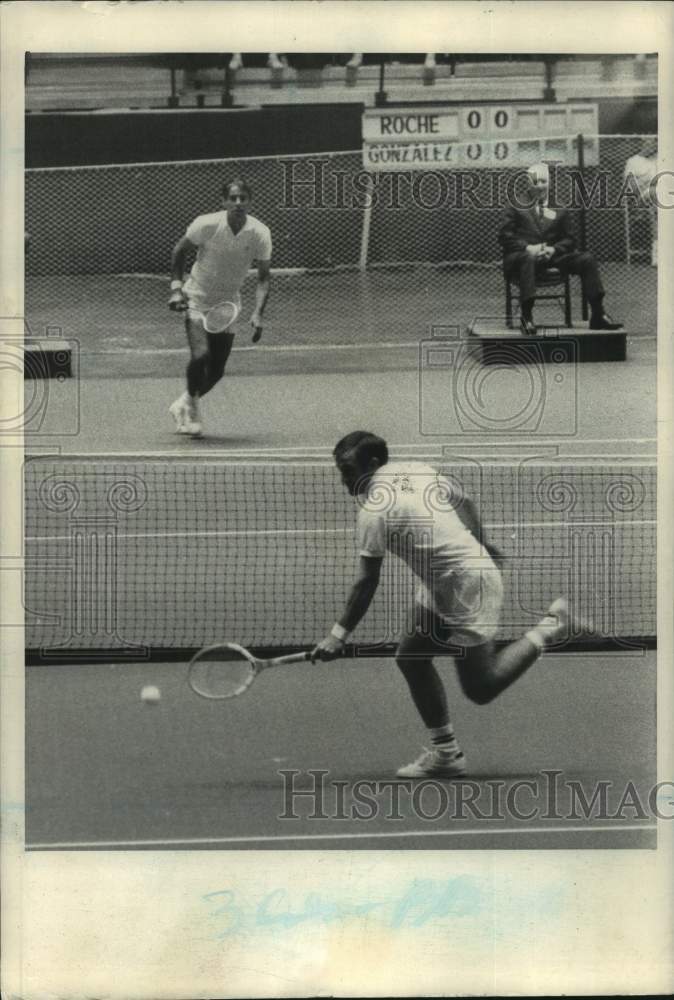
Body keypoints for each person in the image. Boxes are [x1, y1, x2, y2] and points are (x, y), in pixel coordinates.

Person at [311, 431, 574, 779]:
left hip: (467, 588)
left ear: (373, 464)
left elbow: (366, 582)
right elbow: (464, 501)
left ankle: (551, 626)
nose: (343, 479)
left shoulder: (374, 511)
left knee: (481, 688)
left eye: (347, 469)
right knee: (412, 658)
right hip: (445, 581)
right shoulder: (416, 471)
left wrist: (337, 636)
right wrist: (481, 545)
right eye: (340, 470)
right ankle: (447, 754)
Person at [168, 178, 271, 437]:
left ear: (249, 201)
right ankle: (192, 411)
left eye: (242, 198)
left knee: (216, 371)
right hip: (196, 298)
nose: (237, 203)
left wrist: (258, 313)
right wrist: (176, 288)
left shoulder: (260, 233)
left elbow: (263, 278)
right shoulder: (207, 224)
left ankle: (184, 402)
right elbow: (179, 250)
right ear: (224, 201)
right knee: (200, 355)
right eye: (233, 198)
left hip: (227, 305)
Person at [499, 162, 622, 336]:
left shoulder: (560, 208)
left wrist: (554, 250)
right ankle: (526, 317)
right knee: (527, 259)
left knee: (586, 259)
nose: (540, 186)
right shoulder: (515, 205)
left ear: (549, 182)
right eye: (536, 182)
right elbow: (505, 236)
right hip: (522, 258)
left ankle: (598, 314)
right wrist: (528, 248)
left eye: (544, 181)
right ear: (528, 183)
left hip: (552, 257)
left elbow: (570, 239)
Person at [624, 137, 658, 266]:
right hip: (640, 199)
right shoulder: (633, 162)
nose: (653, 147)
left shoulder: (660, 159)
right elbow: (631, 186)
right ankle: (657, 253)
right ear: (642, 144)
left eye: (655, 144)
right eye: (649, 143)